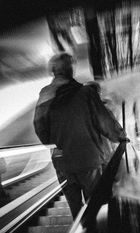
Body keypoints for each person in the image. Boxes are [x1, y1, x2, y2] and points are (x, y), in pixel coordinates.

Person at [34, 53, 127, 219]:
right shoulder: (86, 93)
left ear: (53, 71)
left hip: (62, 162)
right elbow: (104, 121)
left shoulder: (45, 96)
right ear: (70, 69)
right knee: (96, 205)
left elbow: (40, 128)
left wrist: (57, 144)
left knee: (76, 209)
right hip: (89, 158)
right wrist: (120, 136)